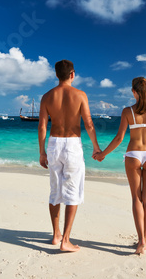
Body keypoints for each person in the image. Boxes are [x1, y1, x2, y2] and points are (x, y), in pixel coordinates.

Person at [93, 77, 146, 254]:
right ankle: (144, 241)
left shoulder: (127, 111)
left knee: (136, 198)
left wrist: (102, 154)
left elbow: (119, 138)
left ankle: (140, 240)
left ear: (134, 92)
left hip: (133, 154)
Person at [38, 59, 101, 252]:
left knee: (54, 191)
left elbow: (42, 126)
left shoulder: (47, 97)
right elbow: (89, 123)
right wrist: (96, 147)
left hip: (54, 144)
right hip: (73, 145)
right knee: (72, 191)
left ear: (57, 75)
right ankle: (66, 240)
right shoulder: (80, 95)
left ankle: (56, 235)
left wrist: (42, 152)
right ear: (72, 74)